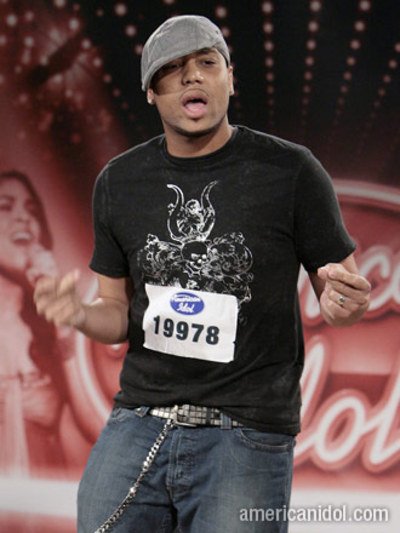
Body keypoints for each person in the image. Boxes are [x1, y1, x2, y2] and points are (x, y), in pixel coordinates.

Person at [33, 15, 371, 533]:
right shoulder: (119, 182)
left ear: (229, 79)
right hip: (140, 421)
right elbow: (117, 313)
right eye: (173, 68)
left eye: (207, 63)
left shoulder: (291, 172)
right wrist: (79, 313)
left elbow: (341, 296)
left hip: (246, 430)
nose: (192, 76)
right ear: (151, 92)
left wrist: (344, 305)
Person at [0, 170, 67, 476]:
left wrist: (56, 298)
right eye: (5, 207)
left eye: (31, 210)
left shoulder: (42, 322)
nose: (23, 218)